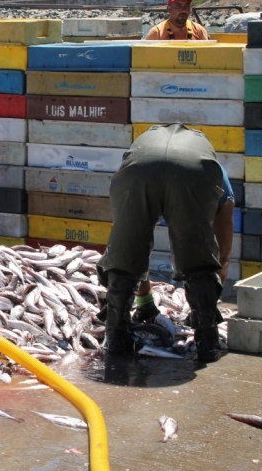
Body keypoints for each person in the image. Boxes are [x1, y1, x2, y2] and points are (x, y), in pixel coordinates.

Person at [97, 123, 234, 362]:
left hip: (139, 166)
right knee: (199, 258)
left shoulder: (145, 148)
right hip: (192, 169)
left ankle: (116, 338)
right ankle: (207, 341)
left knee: (125, 251)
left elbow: (132, 246)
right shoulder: (214, 171)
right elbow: (219, 251)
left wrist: (145, 301)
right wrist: (212, 291)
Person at [145, 0, 209, 40]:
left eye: (186, 6)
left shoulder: (199, 31)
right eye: (178, 6)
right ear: (169, 9)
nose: (183, 10)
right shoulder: (157, 33)